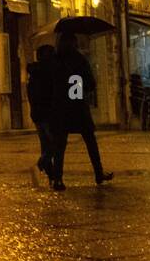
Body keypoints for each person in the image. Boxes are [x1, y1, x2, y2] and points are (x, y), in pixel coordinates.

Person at [48, 32, 114, 191]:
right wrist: (78, 86)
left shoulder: (55, 60)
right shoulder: (79, 59)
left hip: (60, 106)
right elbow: (90, 83)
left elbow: (50, 84)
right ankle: (98, 173)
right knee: (90, 141)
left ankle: (58, 179)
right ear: (74, 43)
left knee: (60, 145)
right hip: (77, 105)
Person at [26, 44, 58, 180]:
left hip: (37, 114)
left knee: (46, 145)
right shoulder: (46, 73)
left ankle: (51, 175)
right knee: (56, 143)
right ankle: (40, 165)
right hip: (47, 114)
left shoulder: (34, 72)